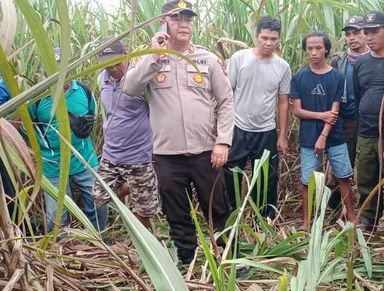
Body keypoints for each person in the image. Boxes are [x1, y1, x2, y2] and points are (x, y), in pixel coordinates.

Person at [123, 0, 234, 264]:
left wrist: (223, 142)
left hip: (206, 151)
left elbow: (226, 100)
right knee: (176, 208)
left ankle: (227, 257)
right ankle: (187, 257)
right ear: (164, 22)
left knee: (217, 205)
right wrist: (153, 55)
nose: (183, 24)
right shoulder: (150, 58)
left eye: (188, 19)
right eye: (176, 19)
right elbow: (130, 88)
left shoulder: (206, 59)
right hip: (167, 154)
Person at [28, 48, 108, 232]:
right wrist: (42, 147)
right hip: (53, 165)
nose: (59, 73)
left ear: (71, 68)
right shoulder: (38, 98)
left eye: (63, 67)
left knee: (99, 203)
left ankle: (97, 239)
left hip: (85, 160)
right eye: (53, 68)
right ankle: (58, 248)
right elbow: (27, 127)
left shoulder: (84, 92)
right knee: (56, 215)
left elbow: (92, 116)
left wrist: (83, 128)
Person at [224, 16, 291, 219]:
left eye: (274, 39)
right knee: (231, 173)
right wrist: (224, 129)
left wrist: (282, 135)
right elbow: (228, 93)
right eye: (264, 37)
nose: (269, 43)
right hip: (238, 128)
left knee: (267, 178)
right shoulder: (239, 59)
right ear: (256, 36)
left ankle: (264, 220)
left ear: (278, 39)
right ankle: (232, 217)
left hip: (266, 130)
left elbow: (282, 101)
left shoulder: (282, 67)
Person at [290, 31, 356, 230]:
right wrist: (321, 116)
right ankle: (307, 222)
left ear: (326, 49)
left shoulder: (337, 77)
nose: (313, 52)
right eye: (309, 48)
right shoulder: (299, 77)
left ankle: (352, 217)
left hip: (335, 136)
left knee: (344, 176)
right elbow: (298, 111)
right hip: (308, 137)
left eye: (318, 48)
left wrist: (323, 135)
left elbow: (334, 112)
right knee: (307, 180)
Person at [92, 40, 160, 229]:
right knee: (99, 196)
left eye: (117, 61)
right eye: (107, 63)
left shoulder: (138, 80)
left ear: (126, 55)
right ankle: (133, 187)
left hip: (139, 156)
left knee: (144, 210)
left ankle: (141, 246)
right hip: (111, 154)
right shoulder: (101, 80)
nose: (112, 67)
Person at [353, 11, 384, 232]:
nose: (369, 37)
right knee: (366, 177)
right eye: (366, 32)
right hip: (366, 132)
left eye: (374, 32)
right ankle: (369, 220)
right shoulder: (361, 63)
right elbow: (357, 96)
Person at [327, 15, 369, 210]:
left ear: (366, 33)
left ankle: (368, 207)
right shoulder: (338, 60)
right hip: (345, 118)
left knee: (368, 163)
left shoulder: (375, 58)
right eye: (349, 34)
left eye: (357, 33)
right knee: (343, 160)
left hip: (368, 119)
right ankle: (335, 205)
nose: (352, 38)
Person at [0, 76, 16, 218]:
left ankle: (15, 225)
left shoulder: (5, 83)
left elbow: (18, 113)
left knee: (8, 192)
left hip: (4, 146)